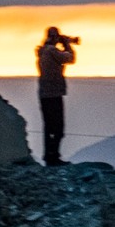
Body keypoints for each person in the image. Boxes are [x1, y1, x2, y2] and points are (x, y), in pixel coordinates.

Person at [35, 25, 78, 165]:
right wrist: (67, 45)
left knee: (49, 127)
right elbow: (70, 58)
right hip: (53, 93)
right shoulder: (51, 51)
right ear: (54, 37)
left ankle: (49, 156)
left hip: (45, 93)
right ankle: (53, 157)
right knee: (58, 127)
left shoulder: (43, 51)